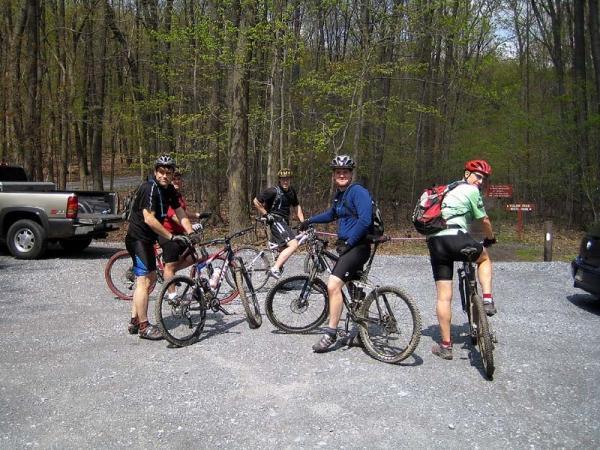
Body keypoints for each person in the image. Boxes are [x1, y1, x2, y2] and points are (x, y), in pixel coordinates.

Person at [298, 155, 373, 353]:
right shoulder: (340, 195)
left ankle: (330, 333)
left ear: (351, 173)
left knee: (333, 285)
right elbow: (333, 214)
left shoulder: (358, 192)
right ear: (333, 175)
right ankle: (360, 332)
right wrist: (310, 220)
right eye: (338, 172)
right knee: (353, 287)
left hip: (358, 246)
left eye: (345, 171)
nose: (341, 174)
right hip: (348, 245)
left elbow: (365, 220)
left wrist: (349, 243)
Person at [427, 159, 497, 360]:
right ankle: (487, 299)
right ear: (467, 174)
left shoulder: (446, 190)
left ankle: (446, 347)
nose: (480, 181)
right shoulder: (471, 190)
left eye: (483, 178)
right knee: (483, 259)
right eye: (478, 176)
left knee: (443, 296)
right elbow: (483, 220)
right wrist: (490, 238)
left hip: (435, 242)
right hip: (456, 237)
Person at [125, 155, 194, 340]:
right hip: (137, 239)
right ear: (156, 172)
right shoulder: (150, 189)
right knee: (144, 281)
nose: (165, 176)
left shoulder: (169, 189)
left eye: (168, 173)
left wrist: (190, 232)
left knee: (152, 278)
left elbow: (179, 212)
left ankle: (134, 320)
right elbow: (149, 219)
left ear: (172, 175)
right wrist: (171, 236)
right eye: (161, 172)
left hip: (147, 240)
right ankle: (144, 327)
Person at [253, 168, 305, 279]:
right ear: (279, 180)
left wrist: (303, 222)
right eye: (283, 179)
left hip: (284, 222)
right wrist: (266, 214)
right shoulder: (273, 191)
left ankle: (278, 281)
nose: (285, 182)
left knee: (283, 250)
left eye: (287, 179)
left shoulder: (291, 192)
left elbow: (297, 207)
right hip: (276, 220)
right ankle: (275, 269)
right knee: (293, 244)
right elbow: (256, 201)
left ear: (290, 180)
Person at [159, 171, 202, 301]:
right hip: (167, 233)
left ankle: (169, 273)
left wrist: (197, 215)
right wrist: (189, 227)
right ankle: (172, 295)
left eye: (178, 180)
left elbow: (182, 212)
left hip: (178, 233)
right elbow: (173, 216)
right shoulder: (166, 196)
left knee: (193, 257)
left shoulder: (178, 195)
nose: (176, 182)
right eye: (174, 180)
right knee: (170, 266)